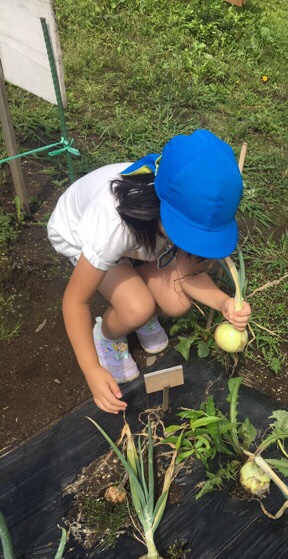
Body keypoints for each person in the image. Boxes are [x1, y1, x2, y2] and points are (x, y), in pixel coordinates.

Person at [48, 129, 251, 414]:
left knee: (176, 302)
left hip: (140, 241)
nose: (193, 245)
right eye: (187, 233)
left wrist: (224, 302)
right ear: (164, 206)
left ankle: (136, 308)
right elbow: (75, 300)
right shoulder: (112, 223)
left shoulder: (187, 200)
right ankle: (106, 336)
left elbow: (188, 273)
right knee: (138, 307)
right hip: (80, 238)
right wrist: (91, 368)